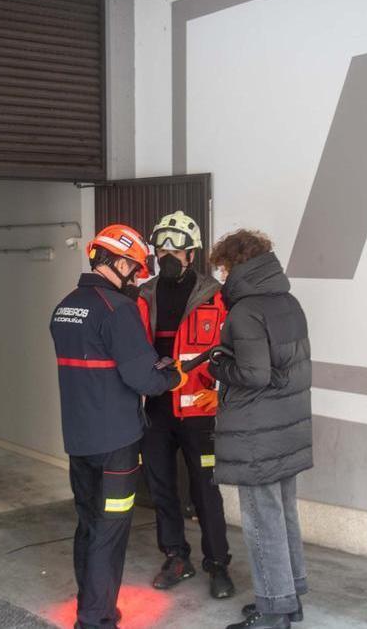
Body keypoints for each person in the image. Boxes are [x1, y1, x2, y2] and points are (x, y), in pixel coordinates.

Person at [50, 224, 185, 629]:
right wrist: (173, 375)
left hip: (79, 439)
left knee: (88, 523)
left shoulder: (65, 306)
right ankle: (96, 619)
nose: (137, 277)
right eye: (136, 269)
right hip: (117, 444)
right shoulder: (118, 310)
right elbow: (145, 378)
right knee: (111, 530)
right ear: (119, 261)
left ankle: (92, 603)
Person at [206, 230, 313, 629]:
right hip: (286, 428)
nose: (221, 275)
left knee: (260, 520)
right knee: (283, 512)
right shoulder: (288, 302)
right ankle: (290, 598)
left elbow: (252, 374)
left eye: (223, 267)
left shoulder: (246, 311)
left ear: (236, 265)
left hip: (257, 432)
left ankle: (273, 612)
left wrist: (217, 365)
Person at [136, 211, 235, 599]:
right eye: (162, 245)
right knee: (162, 487)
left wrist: (221, 390)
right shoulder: (144, 294)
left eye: (177, 246)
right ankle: (177, 555)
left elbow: (231, 349)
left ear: (193, 253)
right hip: (157, 410)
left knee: (206, 490)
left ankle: (218, 564)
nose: (169, 252)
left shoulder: (216, 296)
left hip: (199, 411)